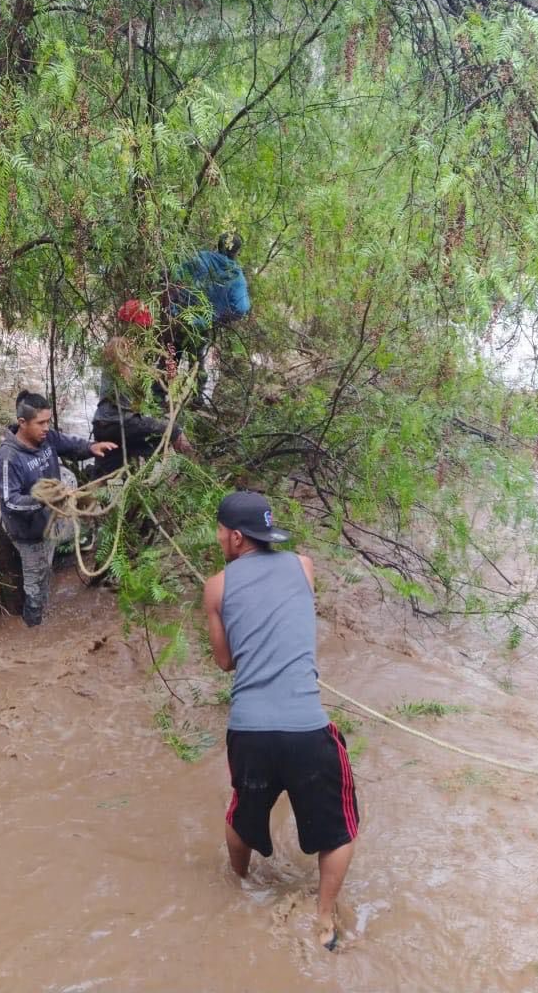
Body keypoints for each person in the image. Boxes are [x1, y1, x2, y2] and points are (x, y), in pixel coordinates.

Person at [203, 491, 359, 952]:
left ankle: (239, 888)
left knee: (242, 816)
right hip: (307, 729)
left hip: (249, 732)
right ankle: (324, 920)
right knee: (340, 829)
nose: (218, 538)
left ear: (235, 537)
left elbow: (225, 661)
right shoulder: (303, 566)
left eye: (220, 532)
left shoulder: (216, 587)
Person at [0, 392, 117, 625]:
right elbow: (10, 502)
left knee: (82, 526)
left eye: (48, 422)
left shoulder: (47, 438)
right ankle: (33, 629)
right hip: (30, 536)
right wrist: (45, 500)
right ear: (22, 423)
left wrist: (92, 447)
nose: (46, 428)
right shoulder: (9, 458)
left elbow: (69, 445)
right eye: (40, 423)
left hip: (53, 521)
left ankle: (64, 557)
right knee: (36, 590)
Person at [91, 325, 194, 479]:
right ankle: (193, 469)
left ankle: (99, 487)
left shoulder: (110, 370)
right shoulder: (121, 366)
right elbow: (139, 387)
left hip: (101, 425)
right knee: (173, 429)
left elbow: (140, 393)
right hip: (121, 423)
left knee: (106, 471)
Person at [160, 233, 251, 406]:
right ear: (236, 252)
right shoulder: (235, 274)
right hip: (203, 324)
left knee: (171, 355)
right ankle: (195, 398)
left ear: (218, 245)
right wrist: (220, 317)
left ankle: (158, 398)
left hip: (180, 317)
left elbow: (175, 274)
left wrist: (173, 304)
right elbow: (242, 307)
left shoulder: (200, 258)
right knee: (196, 360)